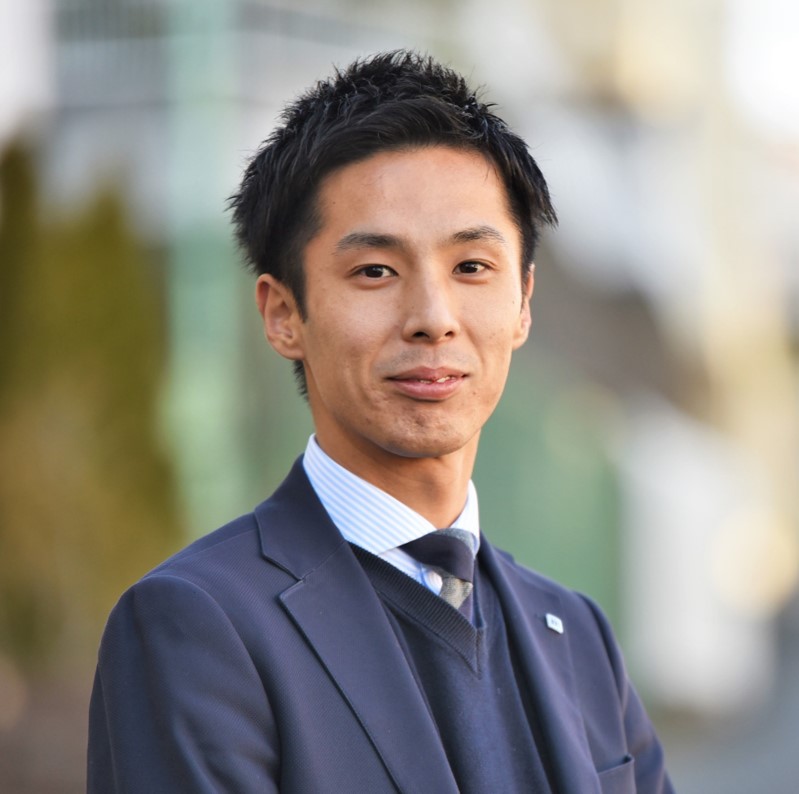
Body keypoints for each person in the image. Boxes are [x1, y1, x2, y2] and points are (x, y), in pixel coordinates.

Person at [87, 50, 674, 793]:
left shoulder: (579, 637)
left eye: (471, 267)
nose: (432, 318)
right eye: (375, 271)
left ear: (523, 302)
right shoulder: (199, 625)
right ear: (283, 314)